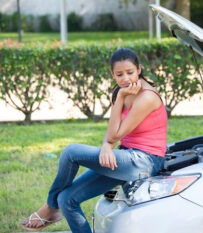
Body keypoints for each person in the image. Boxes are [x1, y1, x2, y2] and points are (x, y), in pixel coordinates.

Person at [21, 48, 168, 233]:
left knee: (70, 153)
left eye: (130, 72)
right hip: (125, 155)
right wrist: (107, 145)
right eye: (119, 74)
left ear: (139, 69)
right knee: (67, 199)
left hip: (144, 161)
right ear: (112, 74)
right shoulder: (121, 91)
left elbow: (117, 133)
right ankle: (56, 206)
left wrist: (110, 139)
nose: (125, 79)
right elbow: (112, 132)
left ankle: (49, 207)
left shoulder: (147, 97)